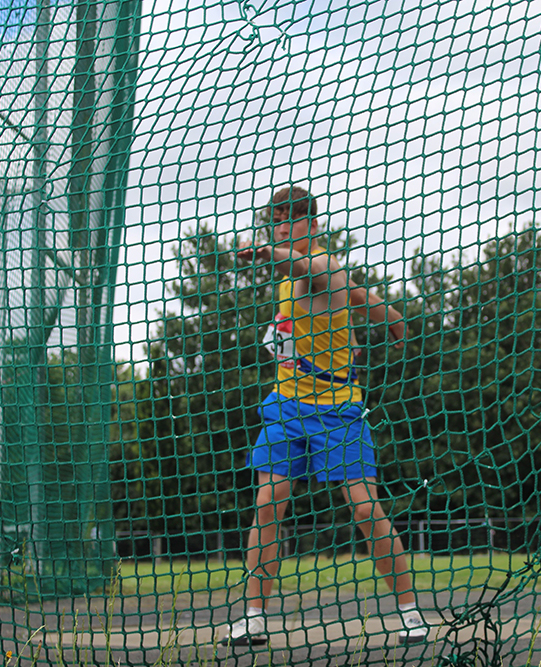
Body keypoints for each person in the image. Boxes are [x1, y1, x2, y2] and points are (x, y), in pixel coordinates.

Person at [225, 186, 428, 647]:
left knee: (364, 507)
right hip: (286, 406)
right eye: (274, 221)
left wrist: (265, 251)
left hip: (338, 409)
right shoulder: (298, 273)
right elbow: (356, 295)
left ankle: (411, 613)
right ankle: (253, 618)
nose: (281, 227)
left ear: (312, 225)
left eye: (290, 220)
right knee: (267, 502)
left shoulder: (321, 263)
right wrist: (392, 316)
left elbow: (309, 269)